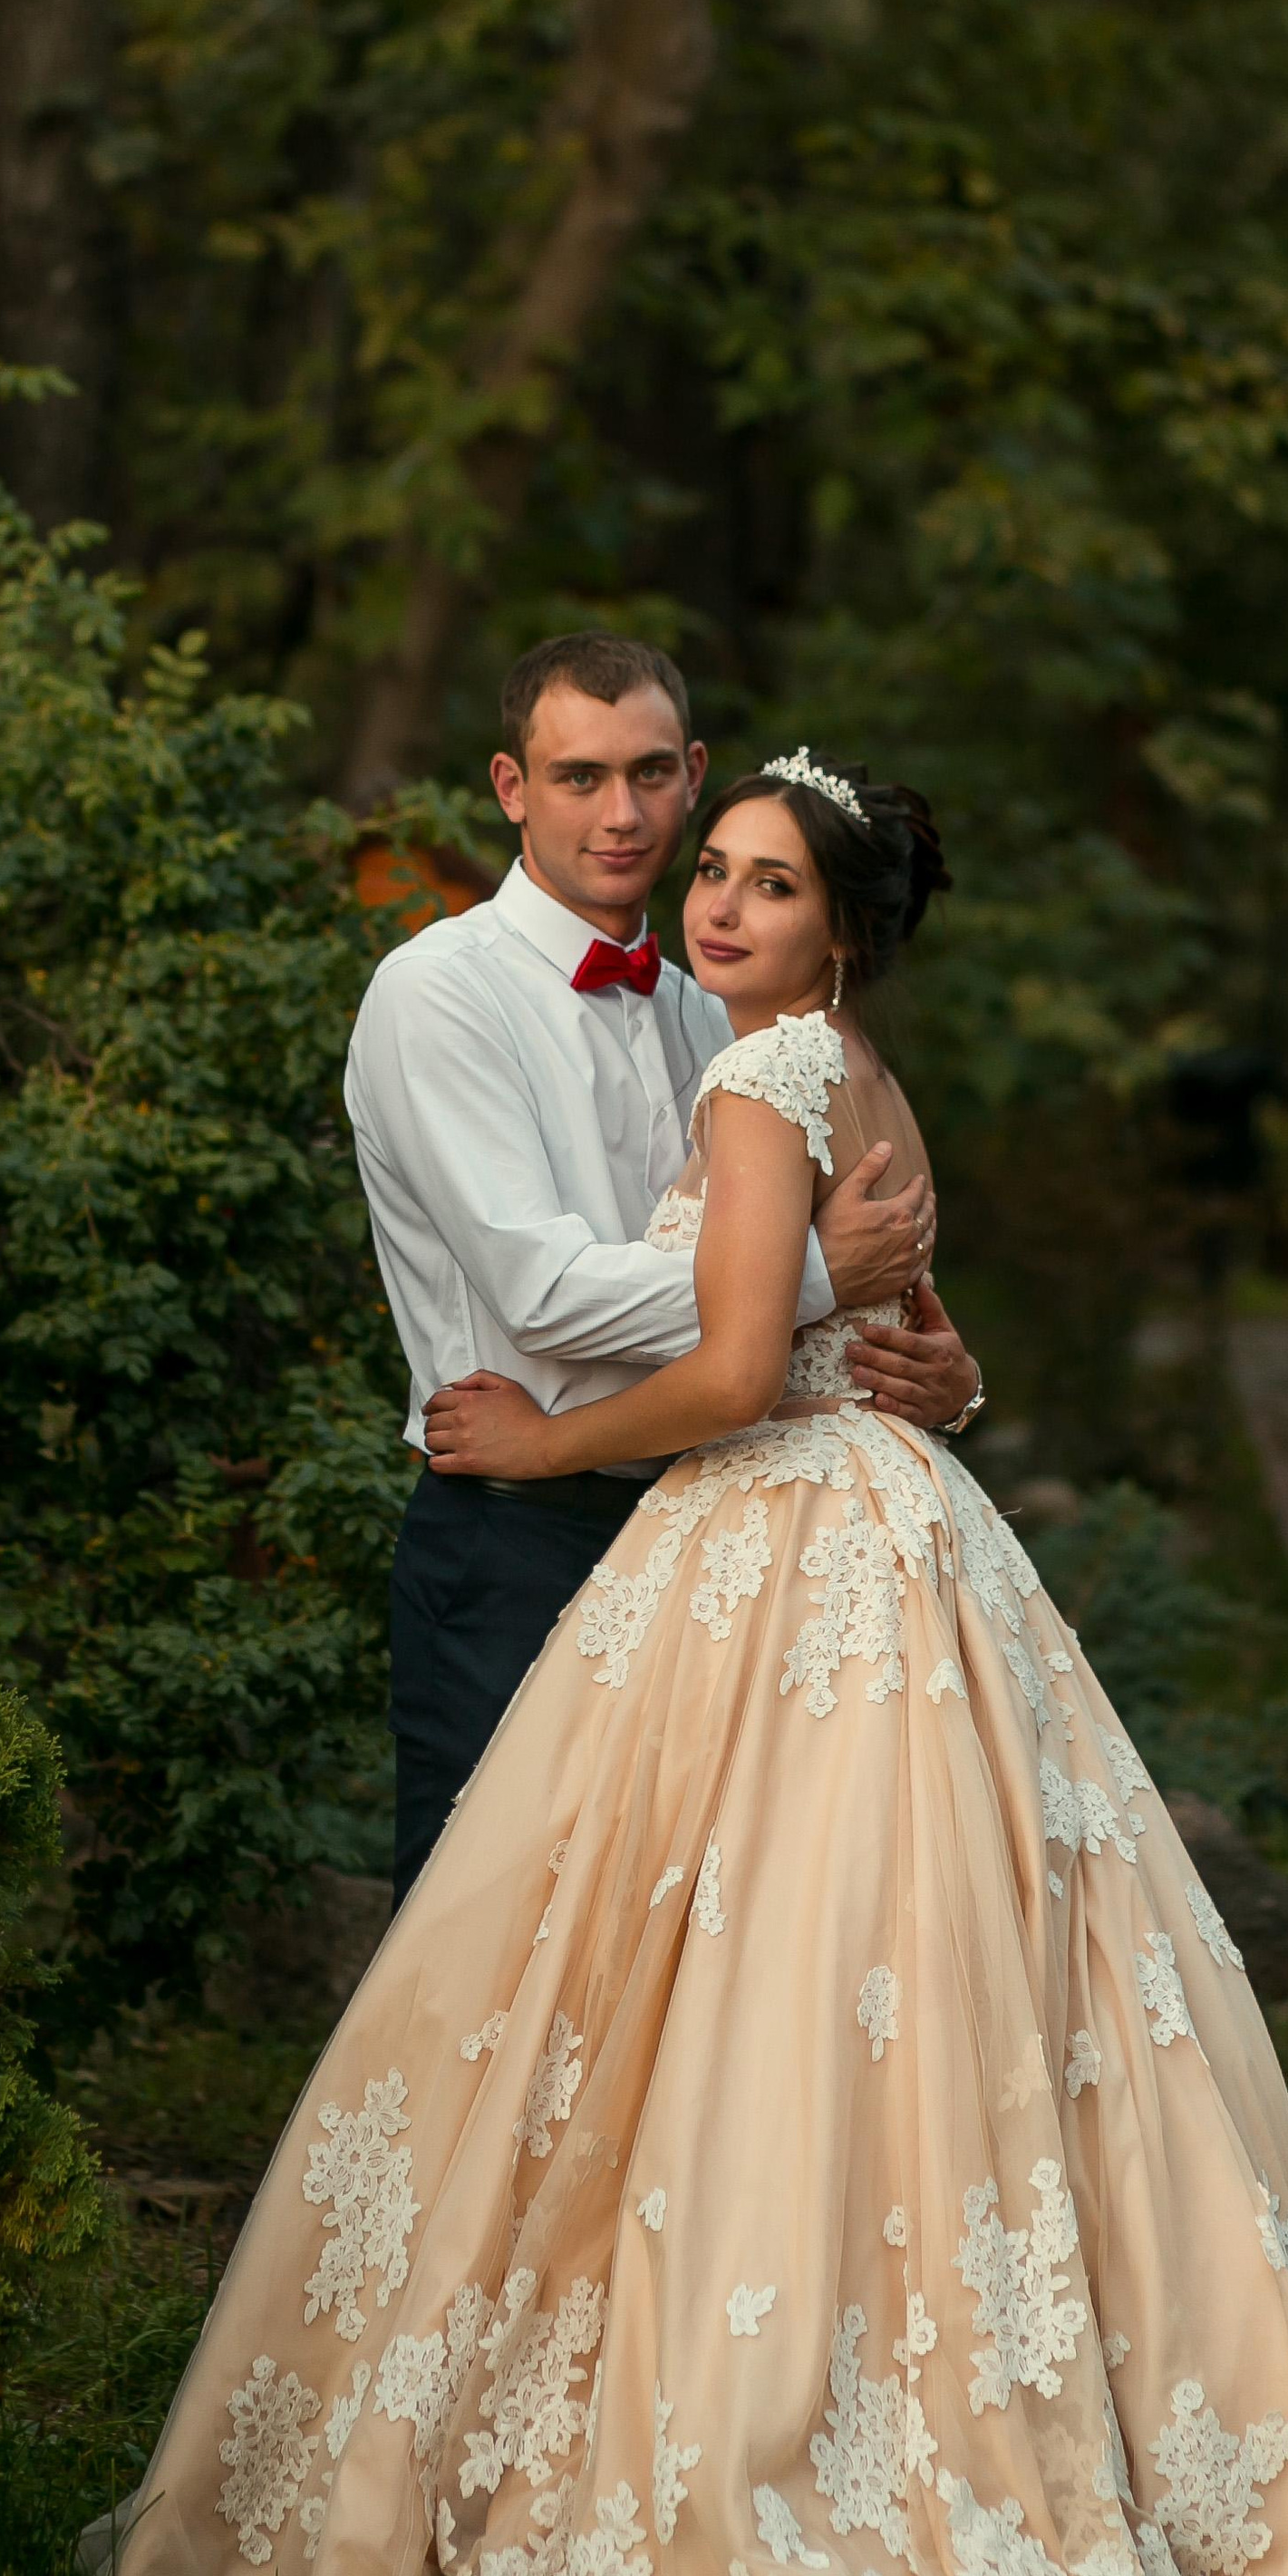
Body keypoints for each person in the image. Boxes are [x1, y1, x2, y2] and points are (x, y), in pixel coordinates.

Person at [88, 739, 1288, 2576]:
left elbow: (719, 1363)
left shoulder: (760, 1075)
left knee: (732, 1976)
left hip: (771, 1528)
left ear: (833, 931)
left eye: (764, 886)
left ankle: (738, 2430)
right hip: (890, 1527)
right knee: (865, 1974)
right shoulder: (841, 1069)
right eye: (714, 874)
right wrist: (919, 1369)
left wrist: (525, 1448)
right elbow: (893, 1338)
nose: (715, 907)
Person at [344, 631, 978, 1903]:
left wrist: (944, 1372)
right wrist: (812, 1280)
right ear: (513, 789)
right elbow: (545, 1291)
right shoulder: (438, 997)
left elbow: (872, 1280)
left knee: (670, 1961)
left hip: (720, 1529)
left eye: (647, 774)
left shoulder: (724, 1005)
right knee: (489, 1934)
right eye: (578, 778)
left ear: (693, 774)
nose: (621, 815)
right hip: (520, 1524)